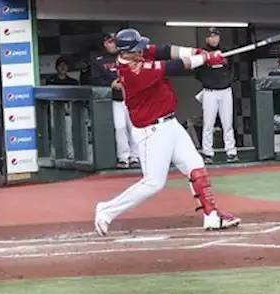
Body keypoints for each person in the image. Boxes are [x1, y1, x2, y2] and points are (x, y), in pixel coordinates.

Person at [93, 29, 239, 234]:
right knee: (153, 183)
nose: (143, 49)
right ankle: (106, 211)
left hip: (170, 123)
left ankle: (211, 215)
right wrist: (205, 58)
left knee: (196, 166)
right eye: (138, 48)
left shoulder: (139, 53)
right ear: (128, 52)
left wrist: (197, 50)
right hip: (151, 131)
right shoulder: (133, 71)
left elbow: (167, 51)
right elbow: (176, 66)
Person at [91, 34, 137, 169]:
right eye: (110, 42)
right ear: (105, 43)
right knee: (120, 127)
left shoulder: (128, 57)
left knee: (134, 127)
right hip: (115, 99)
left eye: (115, 42)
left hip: (131, 98)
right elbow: (95, 80)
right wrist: (110, 84)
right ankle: (124, 157)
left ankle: (136, 156)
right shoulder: (99, 61)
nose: (113, 44)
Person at [196, 28, 237, 163]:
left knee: (227, 123)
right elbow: (197, 72)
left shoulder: (227, 51)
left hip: (225, 91)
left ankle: (231, 152)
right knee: (208, 124)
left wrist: (227, 80)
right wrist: (208, 68)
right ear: (206, 39)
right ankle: (208, 153)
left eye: (216, 36)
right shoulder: (201, 53)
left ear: (219, 38)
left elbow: (232, 69)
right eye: (210, 37)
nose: (213, 39)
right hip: (210, 92)